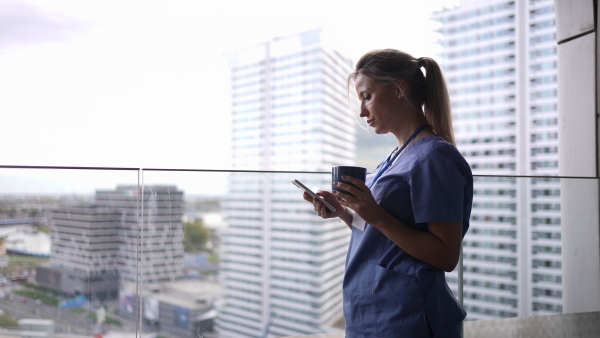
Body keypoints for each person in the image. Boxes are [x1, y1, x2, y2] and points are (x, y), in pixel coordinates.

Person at [302, 49, 473, 337]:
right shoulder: (396, 156)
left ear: (398, 89)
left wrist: (377, 216)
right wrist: (345, 212)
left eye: (367, 96)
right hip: (372, 313)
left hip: (407, 319)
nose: (361, 111)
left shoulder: (435, 158)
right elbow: (381, 231)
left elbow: (446, 255)